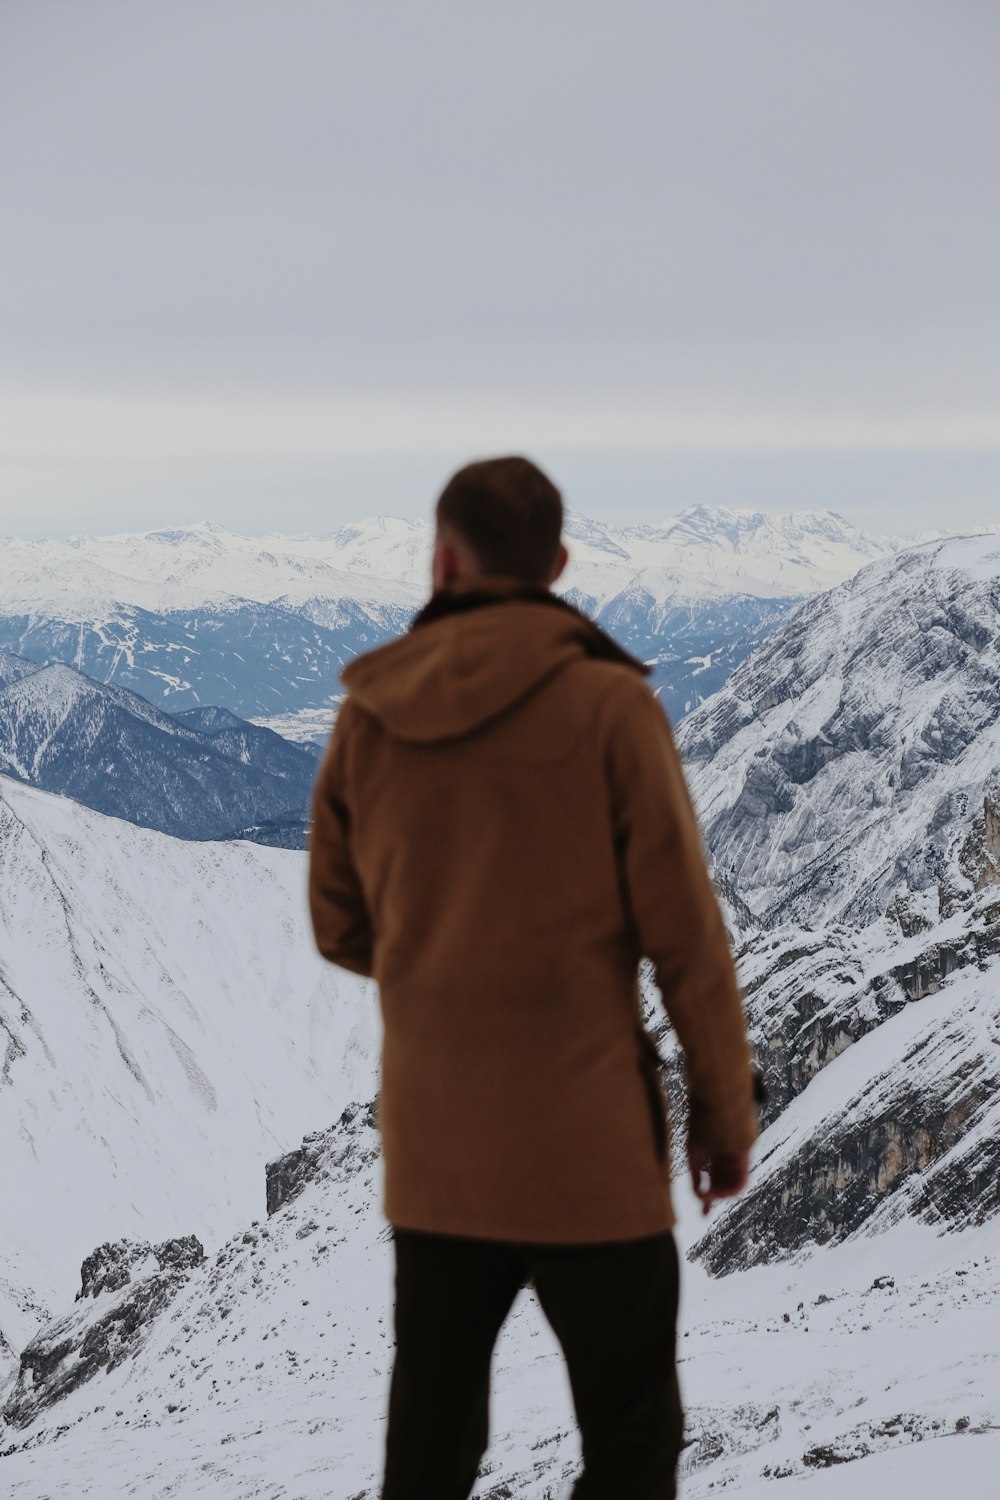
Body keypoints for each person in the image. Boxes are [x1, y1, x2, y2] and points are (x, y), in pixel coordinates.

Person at [308, 455, 759, 1500]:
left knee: (429, 1442)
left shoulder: (368, 714)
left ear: (441, 557)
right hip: (589, 1145)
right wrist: (722, 1120)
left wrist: (439, 961)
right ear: (556, 563)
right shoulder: (612, 709)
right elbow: (687, 940)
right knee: (630, 1436)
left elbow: (339, 924)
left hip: (438, 1149)